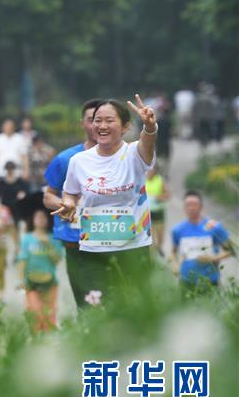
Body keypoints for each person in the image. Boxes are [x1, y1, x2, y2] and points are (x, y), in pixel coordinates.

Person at [54, 96, 158, 302]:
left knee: (135, 311)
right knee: (98, 311)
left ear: (126, 126)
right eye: (97, 120)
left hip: (133, 249)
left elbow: (148, 143)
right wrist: (69, 203)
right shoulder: (79, 161)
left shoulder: (134, 153)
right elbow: (71, 191)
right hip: (93, 251)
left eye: (109, 120)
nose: (102, 125)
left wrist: (149, 126)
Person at [43, 98, 102, 308]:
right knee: (85, 301)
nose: (97, 125)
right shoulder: (66, 159)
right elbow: (48, 196)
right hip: (75, 238)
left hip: (111, 237)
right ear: (82, 124)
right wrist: (66, 204)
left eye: (103, 120)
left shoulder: (123, 158)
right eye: (91, 119)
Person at [171, 191, 235, 295]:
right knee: (187, 311)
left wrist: (213, 258)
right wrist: (174, 264)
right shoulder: (178, 230)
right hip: (186, 280)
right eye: (188, 205)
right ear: (184, 207)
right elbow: (173, 252)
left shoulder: (214, 227)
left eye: (194, 204)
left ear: (201, 207)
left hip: (210, 280)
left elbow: (231, 251)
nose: (191, 208)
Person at [16, 209, 64, 333]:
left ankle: (49, 343)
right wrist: (21, 280)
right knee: (35, 313)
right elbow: (22, 261)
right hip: (31, 283)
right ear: (33, 220)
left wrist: (48, 245)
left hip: (50, 283)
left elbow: (57, 260)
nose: (41, 219)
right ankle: (36, 340)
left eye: (44, 217)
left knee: (49, 315)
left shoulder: (54, 238)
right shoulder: (26, 239)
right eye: (38, 217)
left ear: (48, 220)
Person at [0, 160, 30, 255]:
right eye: (8, 169)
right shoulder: (1, 182)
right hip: (5, 209)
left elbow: (26, 191)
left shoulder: (20, 181)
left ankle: (17, 250)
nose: (10, 170)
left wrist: (22, 194)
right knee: (4, 229)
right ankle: (4, 250)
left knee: (16, 229)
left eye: (11, 168)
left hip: (16, 208)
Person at [146, 167, 170, 256]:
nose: (149, 172)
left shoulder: (160, 180)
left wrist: (159, 197)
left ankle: (159, 248)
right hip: (147, 213)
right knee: (150, 236)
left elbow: (167, 195)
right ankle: (153, 255)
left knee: (160, 236)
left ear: (155, 171)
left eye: (151, 170)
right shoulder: (141, 179)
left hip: (158, 211)